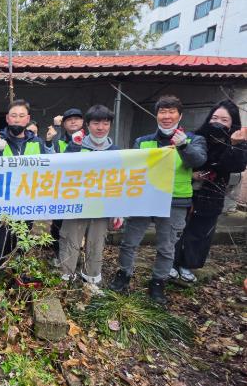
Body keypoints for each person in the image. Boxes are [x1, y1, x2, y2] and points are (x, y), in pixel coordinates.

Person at [109, 95, 207, 305]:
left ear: (180, 116)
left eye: (171, 112)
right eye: (163, 112)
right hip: (144, 198)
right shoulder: (143, 141)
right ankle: (123, 275)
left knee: (166, 247)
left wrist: (183, 146)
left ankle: (158, 283)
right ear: (156, 115)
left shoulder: (193, 140)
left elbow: (198, 161)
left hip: (175, 201)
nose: (167, 116)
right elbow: (132, 168)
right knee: (129, 241)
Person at [172, 100, 247, 284]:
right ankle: (171, 263)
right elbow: (185, 159)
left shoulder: (237, 142)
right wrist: (192, 174)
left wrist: (235, 144)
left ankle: (187, 264)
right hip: (187, 190)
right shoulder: (197, 137)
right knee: (178, 228)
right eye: (214, 117)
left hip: (212, 194)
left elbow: (234, 166)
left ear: (233, 123)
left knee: (200, 231)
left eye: (224, 119)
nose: (217, 122)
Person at [58, 105, 121, 289]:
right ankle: (65, 278)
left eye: (105, 123)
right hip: (76, 203)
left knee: (97, 242)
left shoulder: (116, 150)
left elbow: (120, 181)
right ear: (87, 124)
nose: (100, 127)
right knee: (70, 240)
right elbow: (61, 169)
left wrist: (119, 210)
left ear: (110, 125)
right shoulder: (76, 145)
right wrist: (74, 147)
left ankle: (91, 280)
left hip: (101, 205)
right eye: (96, 123)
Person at [0, 99, 53, 261]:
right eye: (13, 115)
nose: (17, 119)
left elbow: (47, 169)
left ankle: (17, 270)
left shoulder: (37, 143)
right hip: (2, 201)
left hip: (26, 201)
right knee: (1, 240)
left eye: (21, 116)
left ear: (27, 119)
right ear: (7, 118)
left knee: (22, 238)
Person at [46, 108, 85, 256]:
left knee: (81, 227)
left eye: (77, 118)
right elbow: (52, 160)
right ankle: (58, 255)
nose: (73, 121)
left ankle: (78, 257)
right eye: (69, 119)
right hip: (61, 192)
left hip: (85, 192)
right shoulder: (59, 142)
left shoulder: (91, 142)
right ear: (64, 124)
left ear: (83, 122)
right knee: (58, 226)